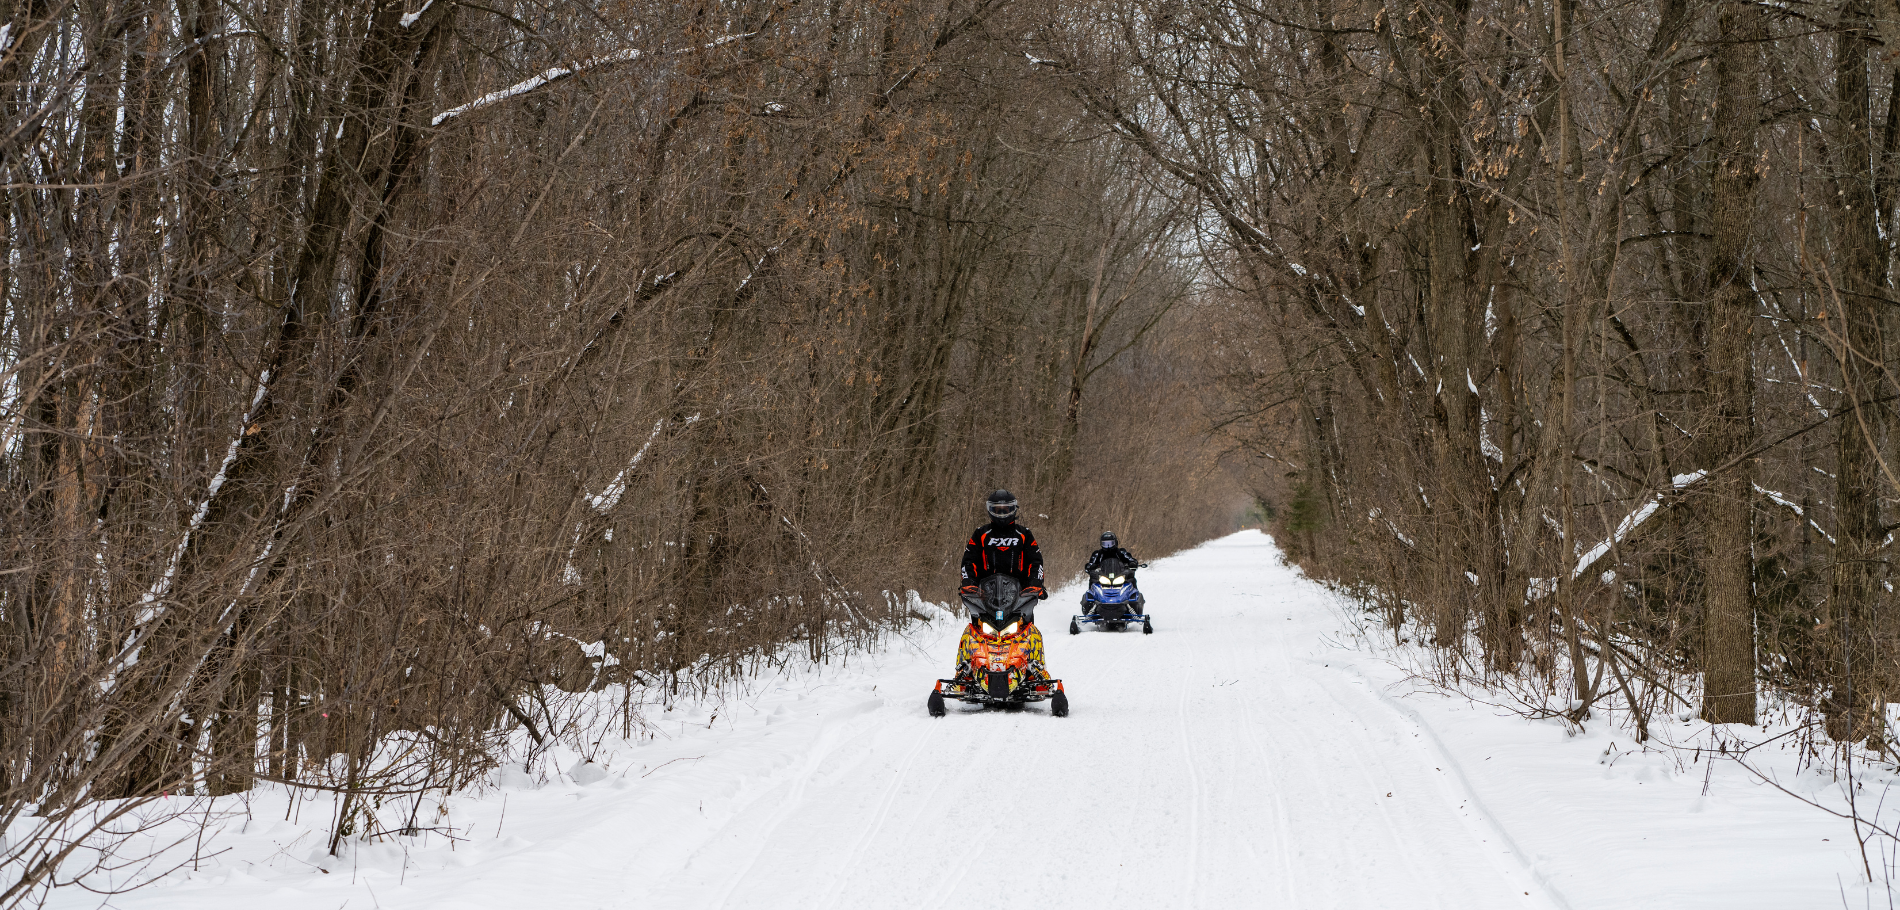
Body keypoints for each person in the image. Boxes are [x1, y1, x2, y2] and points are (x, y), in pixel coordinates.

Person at [954, 490, 1048, 681]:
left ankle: (1033, 670)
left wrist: (1035, 584)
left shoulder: (1024, 534)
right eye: (998, 509)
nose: (1003, 513)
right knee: (974, 632)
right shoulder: (981, 534)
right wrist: (968, 583)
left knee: (1029, 631)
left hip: (1019, 596)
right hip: (984, 596)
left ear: (1014, 509)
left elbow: (1036, 561)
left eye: (1007, 509)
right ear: (991, 511)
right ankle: (965, 671)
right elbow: (968, 561)